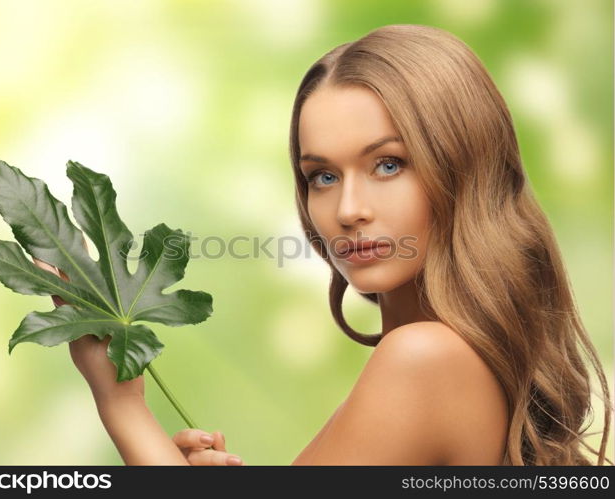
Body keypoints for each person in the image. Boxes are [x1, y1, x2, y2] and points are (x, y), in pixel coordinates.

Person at [36, 24, 612, 465]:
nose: (349, 210)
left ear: (464, 167)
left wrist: (122, 404)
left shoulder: (423, 359)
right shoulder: (470, 359)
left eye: (389, 164)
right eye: (323, 176)